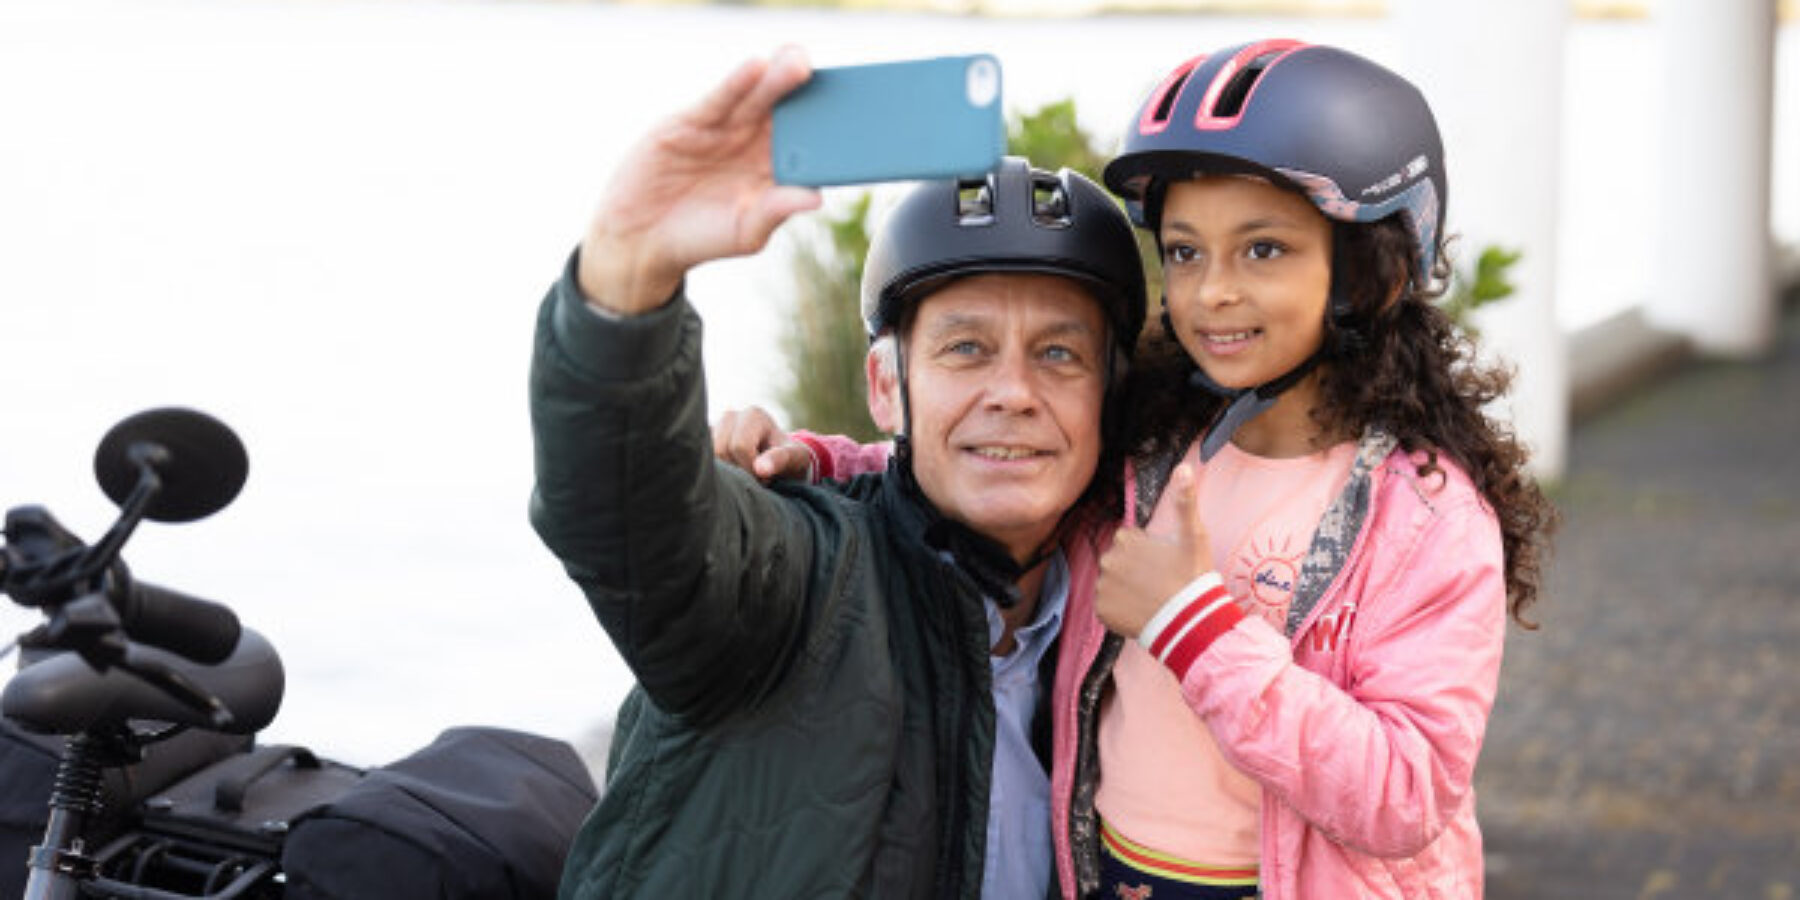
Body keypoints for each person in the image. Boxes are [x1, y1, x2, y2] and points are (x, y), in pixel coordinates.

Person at [714, 39, 1557, 900]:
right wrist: (820, 460)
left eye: (1262, 250)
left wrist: (1194, 628)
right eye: (1186, 253)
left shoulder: (1423, 517)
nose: (1212, 293)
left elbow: (1405, 795)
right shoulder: (1151, 444)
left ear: (1368, 274)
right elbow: (995, 468)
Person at [526, 47, 1149, 898]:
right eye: (965, 349)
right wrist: (628, 275)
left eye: (1059, 354)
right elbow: (633, 524)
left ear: (1107, 397)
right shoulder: (805, 577)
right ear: (886, 388)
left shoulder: (1131, 631)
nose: (1014, 392)